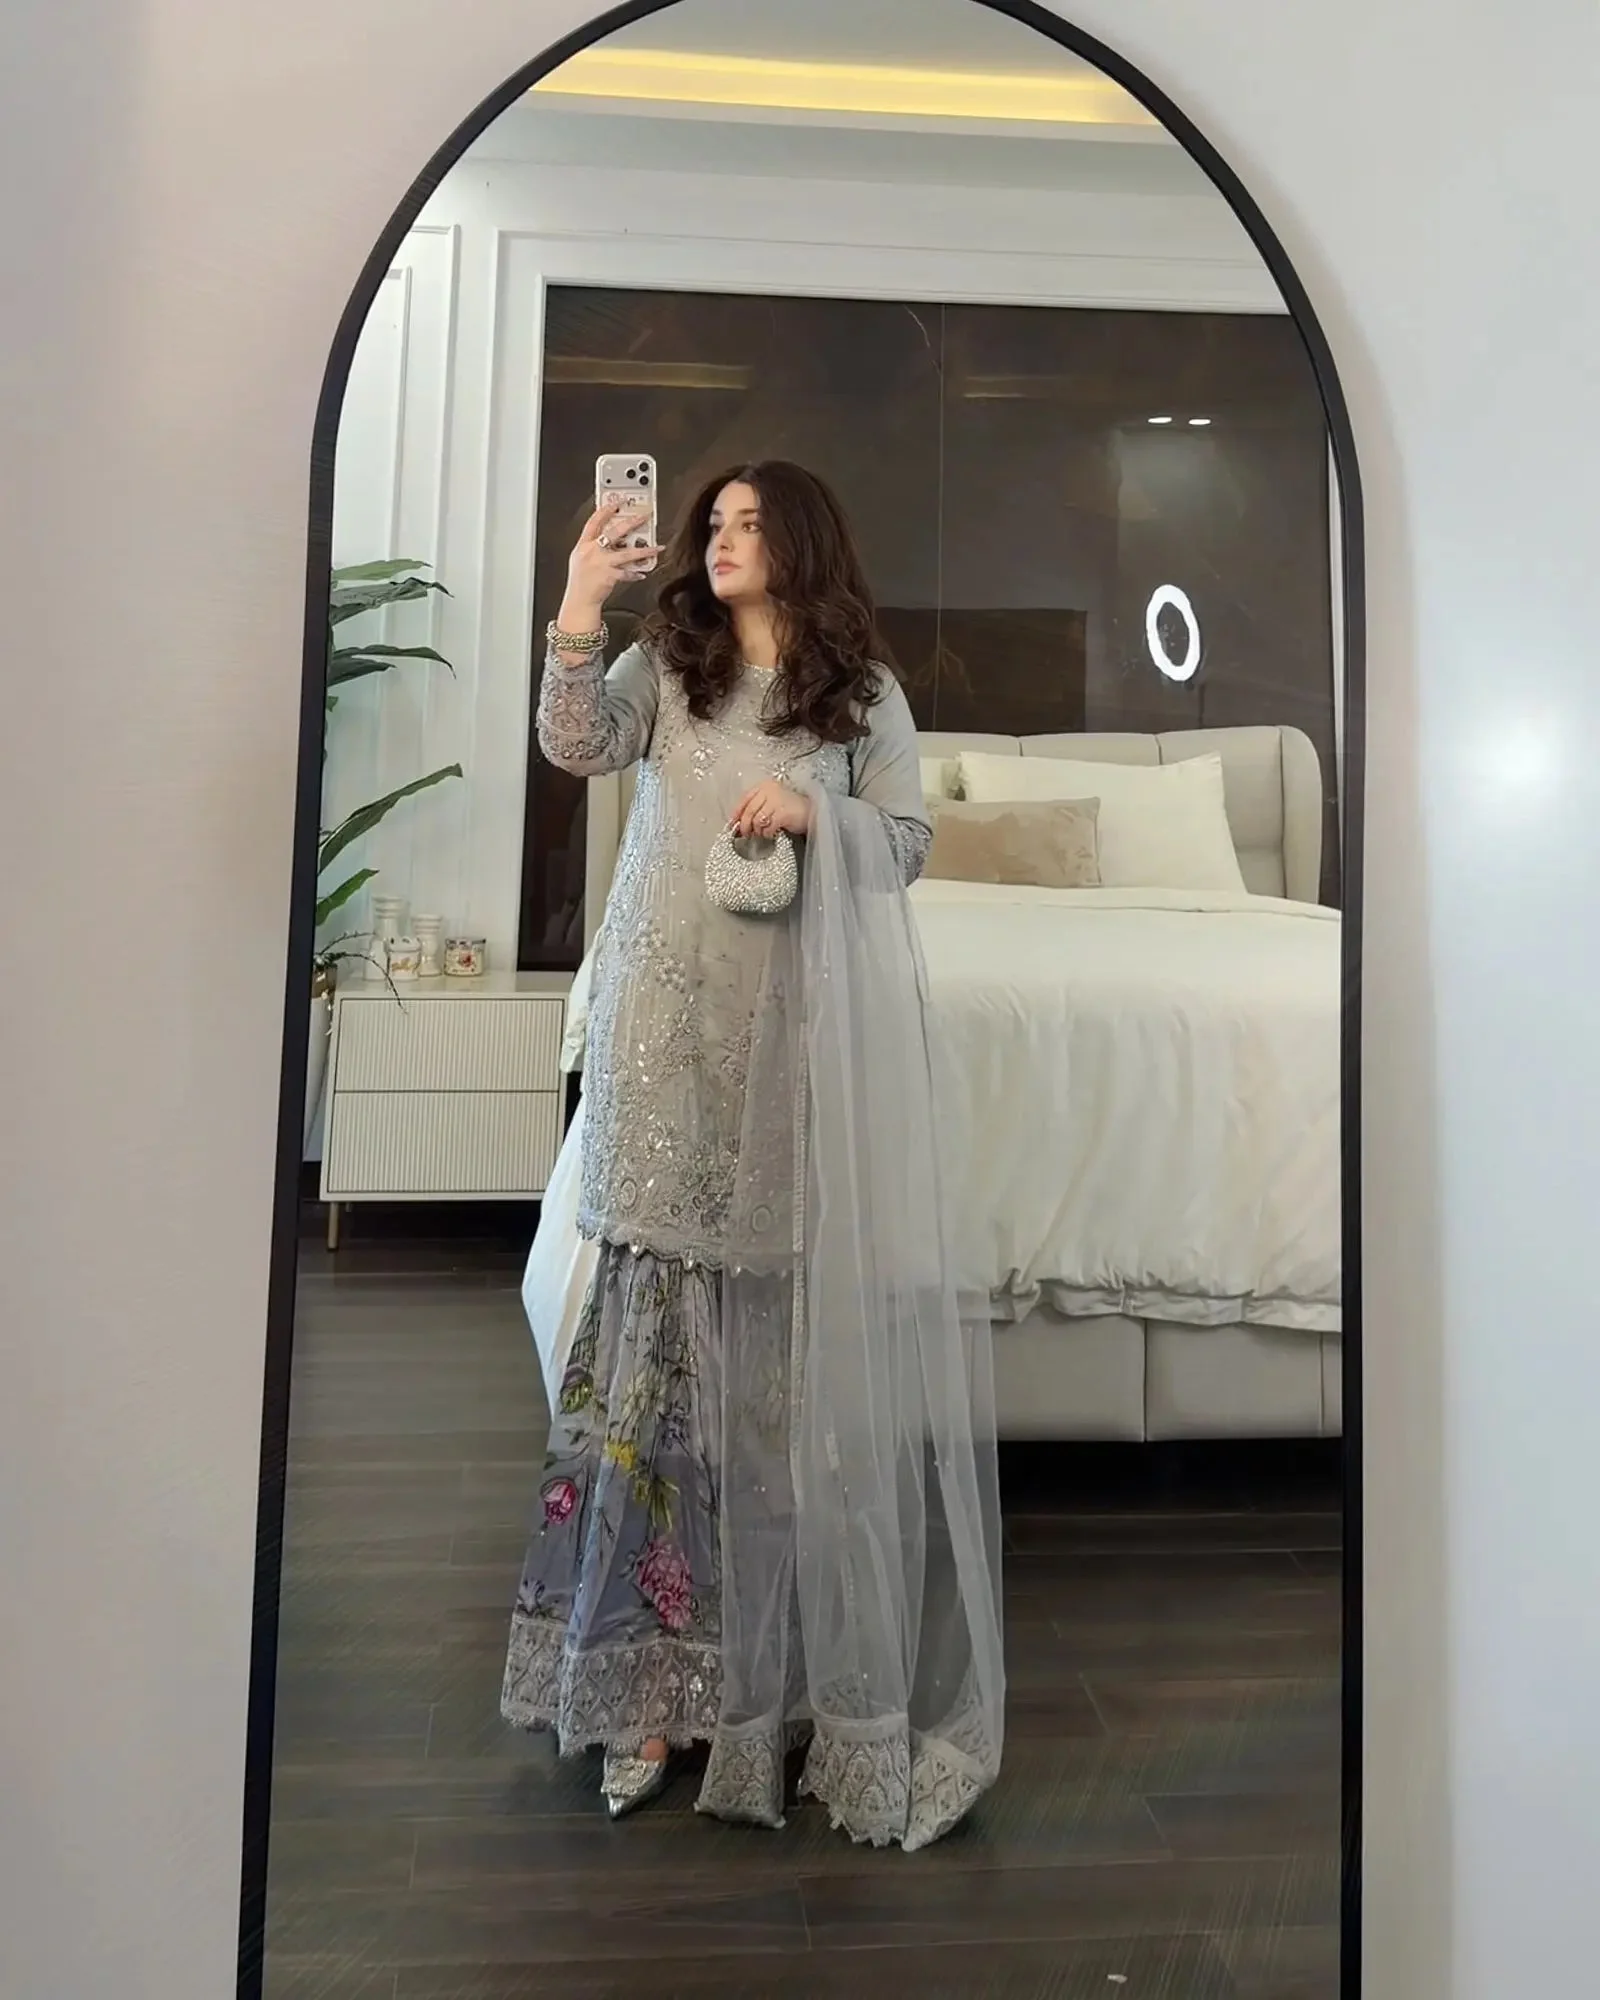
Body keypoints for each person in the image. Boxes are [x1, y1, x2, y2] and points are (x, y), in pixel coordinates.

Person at [501, 460, 1003, 1850]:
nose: (719, 542)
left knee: (769, 1397)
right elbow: (573, 745)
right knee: (648, 1384)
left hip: (791, 1055)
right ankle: (633, 1694)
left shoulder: (861, 698)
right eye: (709, 524)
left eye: (745, 523)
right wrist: (577, 603)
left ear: (800, 541)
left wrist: (814, 812)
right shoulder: (670, 667)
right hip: (662, 1038)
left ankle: (754, 1689)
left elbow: (906, 844)